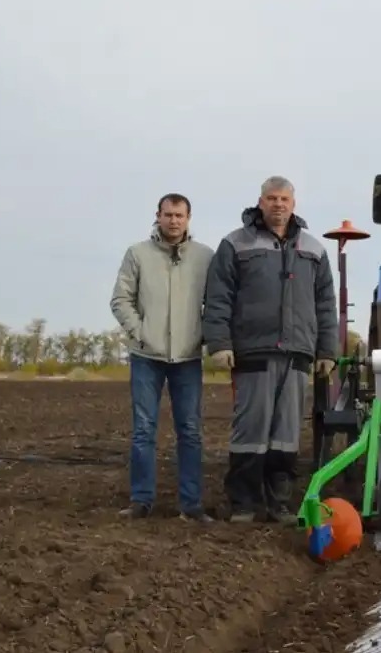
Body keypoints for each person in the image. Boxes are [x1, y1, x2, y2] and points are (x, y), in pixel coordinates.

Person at [202, 176, 339, 523]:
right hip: (254, 352)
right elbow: (218, 298)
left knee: (286, 431)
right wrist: (219, 343)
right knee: (251, 429)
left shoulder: (314, 249)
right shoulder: (235, 244)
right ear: (260, 202)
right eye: (272, 198)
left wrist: (327, 351)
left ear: (294, 204)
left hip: (297, 353)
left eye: (284, 199)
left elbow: (325, 303)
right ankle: (244, 504)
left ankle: (279, 502)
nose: (278, 205)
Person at [109, 193, 215, 522]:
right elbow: (120, 299)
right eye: (167, 215)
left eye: (179, 215)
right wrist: (139, 331)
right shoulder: (137, 254)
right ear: (157, 216)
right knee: (143, 430)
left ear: (188, 218)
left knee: (191, 431)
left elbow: (216, 303)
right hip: (146, 356)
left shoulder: (205, 257)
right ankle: (141, 500)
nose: (173, 221)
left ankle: (191, 504)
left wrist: (205, 337)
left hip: (187, 357)